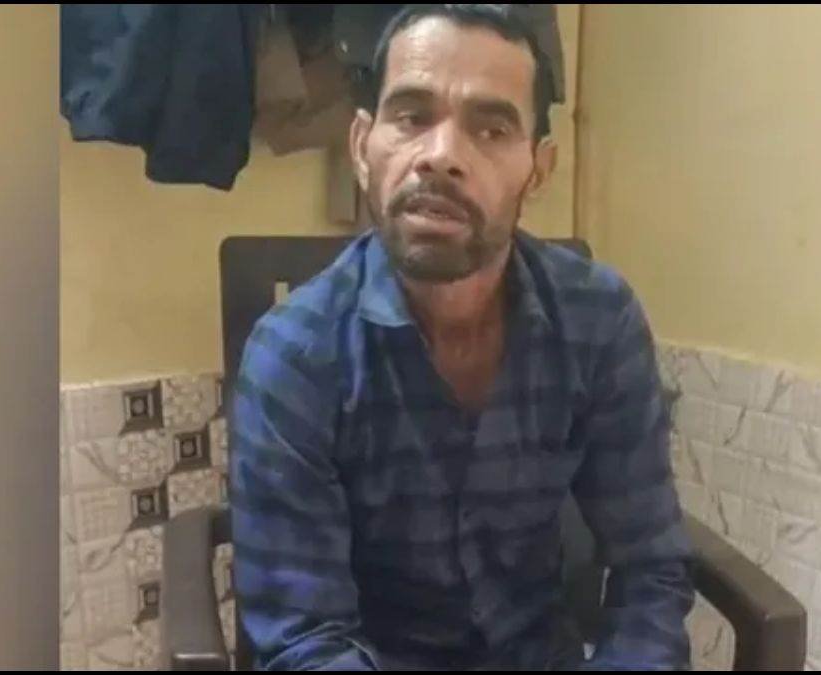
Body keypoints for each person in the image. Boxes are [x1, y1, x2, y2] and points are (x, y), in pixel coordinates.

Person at [231, 5, 694, 670]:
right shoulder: (294, 356)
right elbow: (305, 638)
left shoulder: (599, 320)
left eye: (491, 128)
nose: (442, 156)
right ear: (361, 146)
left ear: (538, 169)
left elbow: (649, 568)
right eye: (411, 116)